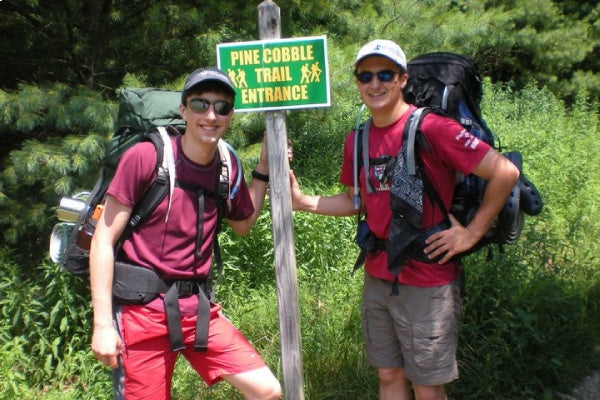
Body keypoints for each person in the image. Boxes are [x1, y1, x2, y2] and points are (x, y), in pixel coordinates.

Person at [290, 40, 519, 400]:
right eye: (365, 75)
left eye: (385, 74)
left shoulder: (433, 128)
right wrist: (303, 202)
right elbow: (359, 202)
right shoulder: (359, 137)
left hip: (427, 280)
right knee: (389, 375)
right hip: (379, 275)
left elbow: (504, 172)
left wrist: (471, 234)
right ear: (357, 82)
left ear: (402, 80)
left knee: (427, 385)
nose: (374, 84)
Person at [90, 67, 281, 400]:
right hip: (142, 312)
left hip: (197, 309)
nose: (211, 115)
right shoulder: (147, 157)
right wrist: (103, 324)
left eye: (221, 107)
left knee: (266, 390)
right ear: (183, 109)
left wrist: (262, 171)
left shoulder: (227, 164)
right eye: (200, 104)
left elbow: (242, 225)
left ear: (230, 115)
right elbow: (103, 240)